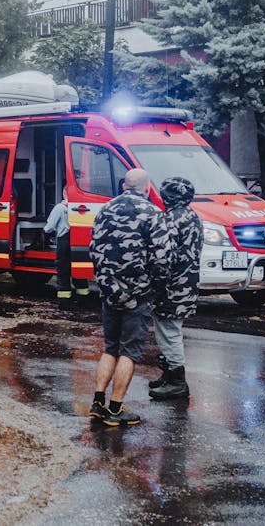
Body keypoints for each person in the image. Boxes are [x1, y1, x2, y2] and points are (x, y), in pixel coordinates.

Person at [87, 168, 171, 427]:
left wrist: (106, 282)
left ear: (124, 185)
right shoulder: (153, 213)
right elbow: (162, 258)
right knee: (130, 351)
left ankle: (98, 403)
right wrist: (155, 288)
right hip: (137, 292)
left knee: (110, 348)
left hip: (109, 291)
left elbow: (94, 249)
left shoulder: (104, 210)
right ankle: (115, 408)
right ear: (147, 188)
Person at [147, 177, 202, 401]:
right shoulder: (193, 216)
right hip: (188, 281)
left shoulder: (170, 219)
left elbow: (164, 256)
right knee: (170, 329)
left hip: (172, 284)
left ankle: (177, 382)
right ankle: (169, 375)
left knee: (168, 331)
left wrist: (155, 285)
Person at [44, 187, 88, 309]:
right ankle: (84, 301)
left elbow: (49, 227)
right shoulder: (80, 208)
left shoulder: (60, 208)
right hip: (77, 241)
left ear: (64, 193)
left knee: (63, 272)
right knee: (78, 272)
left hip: (63, 241)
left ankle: (65, 304)